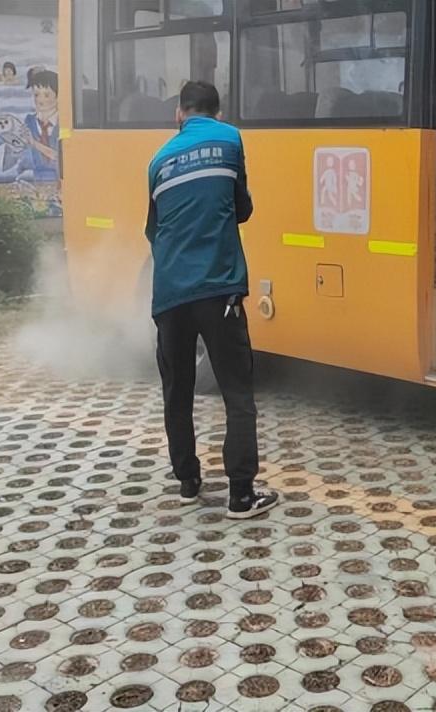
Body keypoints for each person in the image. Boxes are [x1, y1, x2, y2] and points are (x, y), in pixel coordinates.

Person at [144, 80, 278, 520]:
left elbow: (153, 230)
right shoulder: (230, 139)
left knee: (177, 390)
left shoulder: (158, 160)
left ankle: (188, 481)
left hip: (169, 294)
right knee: (237, 394)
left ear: (179, 114)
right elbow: (243, 208)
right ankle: (241, 495)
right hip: (218, 288)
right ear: (218, 113)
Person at [24, 69, 59, 181]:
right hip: (37, 180)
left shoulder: (64, 123)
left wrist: (34, 143)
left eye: (46, 95)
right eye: (36, 95)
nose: (40, 100)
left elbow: (60, 157)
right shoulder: (29, 121)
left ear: (58, 96)